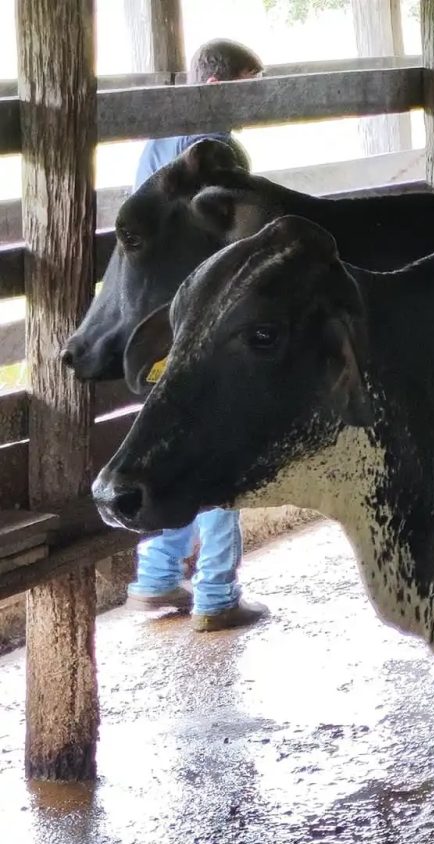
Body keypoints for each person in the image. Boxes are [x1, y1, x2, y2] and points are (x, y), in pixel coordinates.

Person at [123, 38, 267, 632]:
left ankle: (156, 580)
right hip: (201, 317)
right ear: (217, 86)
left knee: (173, 442)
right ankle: (216, 595)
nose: (255, 97)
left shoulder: (157, 138)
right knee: (216, 446)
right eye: (248, 84)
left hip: (156, 319)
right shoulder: (216, 148)